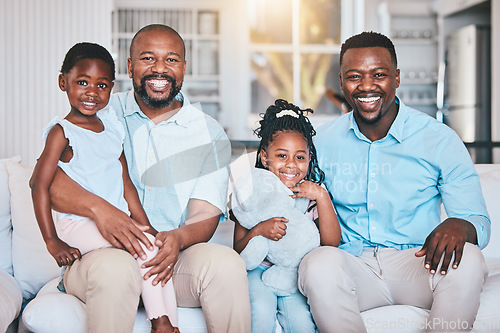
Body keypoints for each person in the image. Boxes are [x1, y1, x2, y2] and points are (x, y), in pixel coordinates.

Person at [46, 25, 251, 333]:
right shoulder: (100, 109)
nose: (159, 69)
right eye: (147, 58)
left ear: (183, 67)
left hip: (168, 264)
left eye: (171, 60)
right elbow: (50, 181)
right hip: (100, 257)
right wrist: (102, 213)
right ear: (129, 66)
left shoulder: (208, 132)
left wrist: (178, 239)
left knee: (226, 264)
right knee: (117, 268)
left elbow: (205, 215)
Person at [299, 31, 490, 332]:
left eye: (379, 75)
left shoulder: (439, 139)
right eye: (354, 76)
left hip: (418, 261)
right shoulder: (321, 142)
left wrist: (460, 225)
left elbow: (478, 221)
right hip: (353, 264)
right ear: (341, 81)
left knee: (470, 259)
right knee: (318, 263)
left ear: (397, 78)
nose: (366, 86)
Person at [30, 42, 180, 333]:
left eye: (101, 85)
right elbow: (38, 184)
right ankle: (159, 322)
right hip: (77, 226)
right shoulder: (62, 133)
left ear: (111, 88)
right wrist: (52, 240)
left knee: (155, 252)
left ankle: (170, 325)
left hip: (117, 223)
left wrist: (146, 227)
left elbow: (125, 183)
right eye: (82, 82)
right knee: (144, 251)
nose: (91, 92)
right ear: (64, 82)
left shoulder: (111, 126)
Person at [233, 99, 341, 333]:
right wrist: (259, 230)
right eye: (282, 156)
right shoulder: (252, 192)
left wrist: (322, 197)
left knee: (302, 321)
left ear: (309, 159)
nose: (291, 165)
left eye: (300, 157)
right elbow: (238, 249)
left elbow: (331, 243)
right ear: (264, 157)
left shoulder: (312, 195)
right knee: (260, 313)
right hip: (258, 272)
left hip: (295, 274)